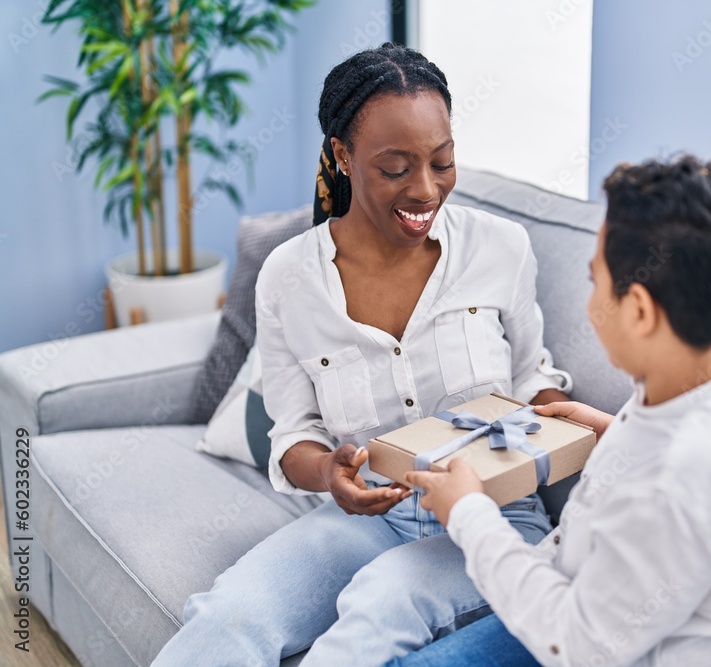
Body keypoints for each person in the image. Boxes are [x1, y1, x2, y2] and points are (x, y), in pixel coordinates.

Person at [152, 43, 572, 666]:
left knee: (383, 602)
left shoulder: (500, 247)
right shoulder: (289, 277)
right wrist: (330, 475)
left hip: (493, 521)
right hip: (370, 516)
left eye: (443, 161)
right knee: (230, 613)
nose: (426, 188)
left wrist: (559, 423)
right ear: (344, 156)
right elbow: (293, 438)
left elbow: (536, 381)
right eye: (396, 168)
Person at [401, 155, 711, 666]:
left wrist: (467, 513)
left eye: (595, 281)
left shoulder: (673, 484)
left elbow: (577, 645)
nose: (591, 304)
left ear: (636, 310)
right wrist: (618, 436)